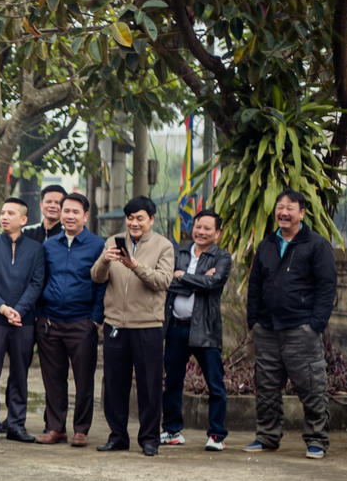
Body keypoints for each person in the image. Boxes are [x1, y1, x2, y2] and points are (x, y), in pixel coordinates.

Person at [245, 188, 337, 458]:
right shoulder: (267, 244)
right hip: (267, 330)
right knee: (267, 387)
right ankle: (267, 436)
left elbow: (326, 287)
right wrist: (254, 321)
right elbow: (255, 285)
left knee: (312, 387)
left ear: (302, 212)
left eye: (290, 208)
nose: (283, 212)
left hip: (301, 330)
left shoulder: (317, 245)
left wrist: (315, 325)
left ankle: (317, 440)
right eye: (279, 207)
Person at [91, 196, 175, 456]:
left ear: (151, 219)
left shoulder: (164, 246)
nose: (134, 223)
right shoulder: (113, 242)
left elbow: (163, 281)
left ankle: (149, 438)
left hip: (148, 325)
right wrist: (105, 260)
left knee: (150, 385)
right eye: (130, 218)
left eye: (139, 218)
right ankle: (118, 436)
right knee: (114, 384)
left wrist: (135, 265)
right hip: (115, 323)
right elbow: (96, 277)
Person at [35, 192, 106, 447]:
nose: (70, 216)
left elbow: (101, 285)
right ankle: (56, 428)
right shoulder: (49, 245)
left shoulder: (98, 245)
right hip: (50, 322)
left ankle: (81, 429)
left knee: (83, 378)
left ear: (85, 216)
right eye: (67, 211)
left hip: (81, 322)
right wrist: (40, 316)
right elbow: (41, 279)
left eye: (76, 212)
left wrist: (95, 320)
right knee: (53, 378)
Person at [0, 197, 45, 443]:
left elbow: (37, 283)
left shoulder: (35, 249)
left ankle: (16, 424)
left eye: (11, 213)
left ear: (23, 220)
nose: (4, 217)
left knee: (20, 373)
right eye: (3, 212)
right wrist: (4, 308)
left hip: (23, 321)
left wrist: (19, 310)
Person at [161, 209, 233, 451]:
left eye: (207, 228)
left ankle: (216, 435)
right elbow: (167, 281)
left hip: (205, 328)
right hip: (175, 327)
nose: (201, 232)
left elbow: (214, 283)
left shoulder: (221, 257)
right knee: (172, 381)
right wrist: (196, 279)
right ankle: (172, 431)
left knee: (215, 384)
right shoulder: (179, 251)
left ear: (218, 233)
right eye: (198, 227)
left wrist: (184, 277)